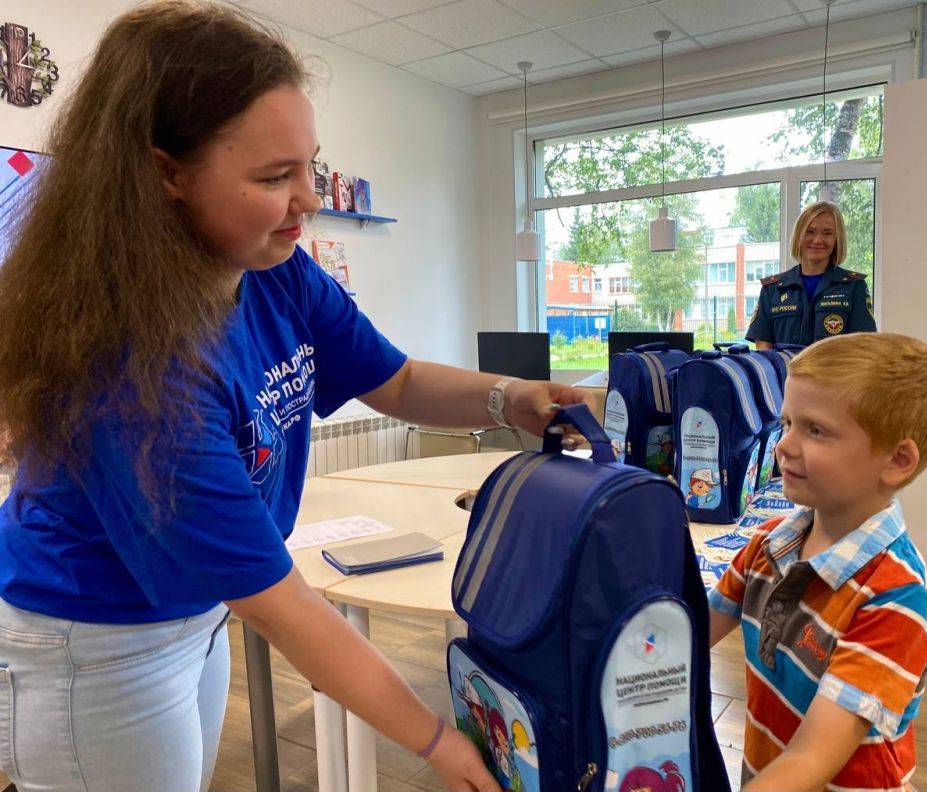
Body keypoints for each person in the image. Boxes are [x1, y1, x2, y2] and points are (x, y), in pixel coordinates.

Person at [0, 4, 595, 791]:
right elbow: (282, 606)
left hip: (194, 615)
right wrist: (437, 742)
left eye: (309, 166)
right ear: (164, 174)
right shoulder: (136, 373)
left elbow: (398, 381)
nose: (309, 199)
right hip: (95, 636)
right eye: (274, 177)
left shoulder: (274, 268)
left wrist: (513, 398)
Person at [707, 332, 927, 791]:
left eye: (815, 430)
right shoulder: (768, 545)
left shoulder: (898, 598)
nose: (784, 446)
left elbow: (812, 756)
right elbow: (689, 630)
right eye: (786, 423)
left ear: (897, 460)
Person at [746, 201, 877, 349]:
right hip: (787, 372)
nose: (818, 240)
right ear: (799, 236)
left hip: (835, 372)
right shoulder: (772, 289)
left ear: (837, 239)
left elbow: (863, 346)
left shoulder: (854, 287)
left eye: (828, 233)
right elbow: (763, 344)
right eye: (810, 232)